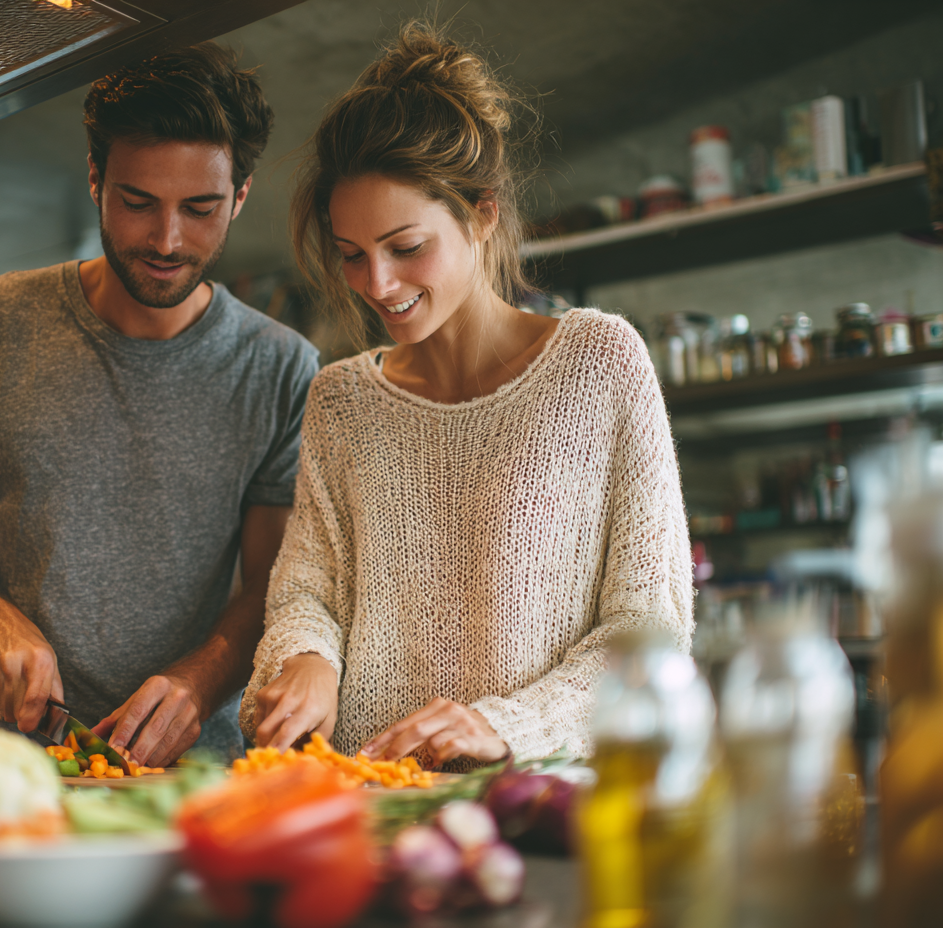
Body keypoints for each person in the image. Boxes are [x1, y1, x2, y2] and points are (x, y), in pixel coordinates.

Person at [239, 22, 693, 768]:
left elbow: (651, 630)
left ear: (482, 213)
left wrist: (507, 727)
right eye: (352, 255)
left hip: (535, 811)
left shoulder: (599, 363)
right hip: (367, 806)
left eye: (406, 247)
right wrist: (307, 657)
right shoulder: (341, 401)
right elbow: (306, 593)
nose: (377, 286)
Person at [0, 43, 319, 767]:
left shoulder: (283, 367)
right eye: (138, 202)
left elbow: (273, 586)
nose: (167, 240)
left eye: (200, 209)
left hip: (192, 782)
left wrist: (197, 685)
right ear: (96, 178)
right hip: (5, 776)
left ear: (242, 196)